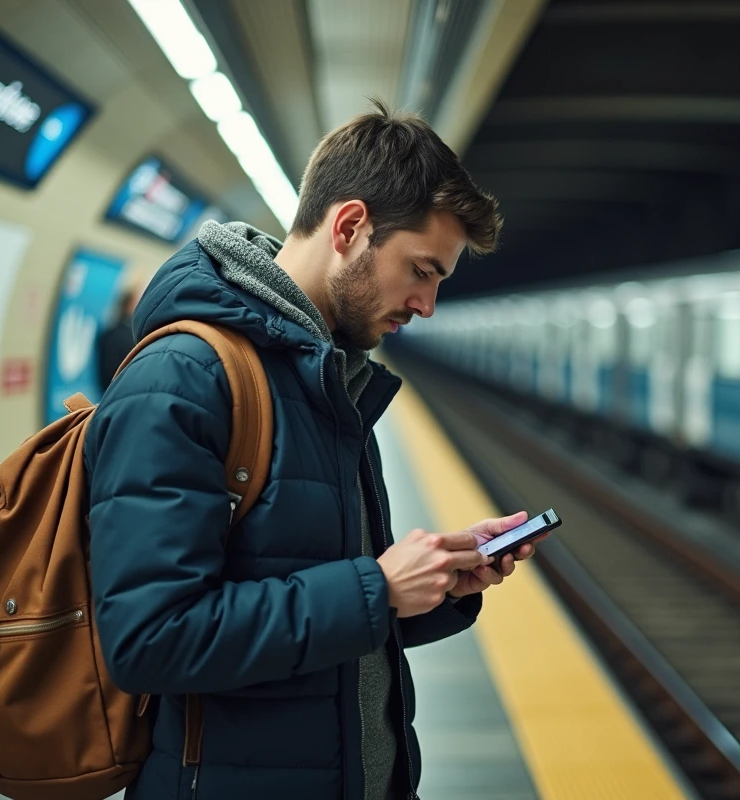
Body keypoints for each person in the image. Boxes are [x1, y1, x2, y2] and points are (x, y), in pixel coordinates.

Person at [83, 100, 536, 800]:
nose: (427, 306)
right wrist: (377, 587)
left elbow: (322, 617)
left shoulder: (326, 378)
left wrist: (430, 584)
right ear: (350, 227)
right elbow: (151, 639)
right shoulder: (183, 379)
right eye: (422, 270)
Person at [95, 283, 141, 393]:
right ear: (128, 305)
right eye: (137, 302)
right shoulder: (117, 335)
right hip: (120, 393)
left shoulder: (134, 333)